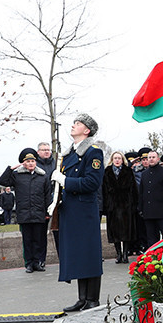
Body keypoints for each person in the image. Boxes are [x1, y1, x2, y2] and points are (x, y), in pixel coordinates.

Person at [50, 114, 104, 312]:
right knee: (78, 254)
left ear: (87, 130)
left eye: (78, 124)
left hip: (84, 211)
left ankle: (93, 299)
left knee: (89, 253)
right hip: (69, 211)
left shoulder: (93, 153)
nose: (73, 125)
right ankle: (82, 298)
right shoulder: (68, 154)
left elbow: (92, 183)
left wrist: (65, 181)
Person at [0, 148, 51, 273]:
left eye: (33, 161)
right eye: (28, 161)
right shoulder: (17, 176)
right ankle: (29, 263)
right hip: (24, 214)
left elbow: (47, 195)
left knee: (38, 239)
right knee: (27, 240)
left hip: (39, 213)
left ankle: (37, 262)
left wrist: (47, 212)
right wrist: (10, 169)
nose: (31, 163)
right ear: (23, 163)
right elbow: (2, 181)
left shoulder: (42, 177)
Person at [101, 151, 139, 262]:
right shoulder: (106, 172)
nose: (117, 160)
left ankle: (126, 254)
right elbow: (104, 190)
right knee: (115, 232)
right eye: (115, 158)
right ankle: (118, 254)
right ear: (112, 160)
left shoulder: (128, 171)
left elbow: (134, 190)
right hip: (112, 206)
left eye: (119, 158)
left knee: (127, 231)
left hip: (126, 205)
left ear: (123, 160)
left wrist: (134, 205)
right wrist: (106, 206)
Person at [137, 150, 163, 247]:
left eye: (153, 157)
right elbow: (142, 192)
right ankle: (153, 257)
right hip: (148, 211)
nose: (151, 159)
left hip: (161, 211)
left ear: (158, 159)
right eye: (149, 157)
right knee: (151, 237)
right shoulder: (144, 174)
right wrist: (140, 208)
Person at [36, 141, 56, 265]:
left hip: (56, 201)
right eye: (44, 150)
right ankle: (40, 259)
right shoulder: (35, 164)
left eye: (48, 149)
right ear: (38, 152)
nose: (47, 151)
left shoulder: (56, 164)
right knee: (40, 235)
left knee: (59, 232)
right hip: (41, 203)